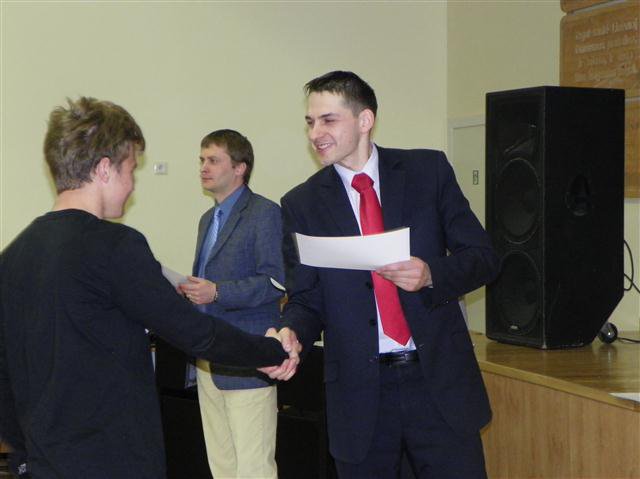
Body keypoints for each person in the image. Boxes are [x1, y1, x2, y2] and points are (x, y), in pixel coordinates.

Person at [0, 97, 295, 479]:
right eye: (130, 170)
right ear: (105, 169)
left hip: (44, 462)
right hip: (113, 459)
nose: (132, 185)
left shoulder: (13, 256)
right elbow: (194, 332)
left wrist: (24, 456)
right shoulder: (115, 246)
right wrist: (270, 350)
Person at [268, 71, 499, 478]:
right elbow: (306, 298)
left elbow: (483, 257)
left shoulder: (427, 171)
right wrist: (291, 332)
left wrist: (431, 274)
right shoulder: (302, 204)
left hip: (438, 385)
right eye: (310, 122)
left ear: (365, 120)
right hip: (359, 396)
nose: (315, 133)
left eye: (328, 120)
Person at [178, 129, 284, 479]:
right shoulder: (207, 220)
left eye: (213, 160)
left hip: (247, 356)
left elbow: (275, 283)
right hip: (209, 356)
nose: (203, 167)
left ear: (240, 167)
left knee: (253, 468)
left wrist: (217, 292)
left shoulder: (264, 213)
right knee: (221, 466)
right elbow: (208, 285)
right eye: (201, 160)